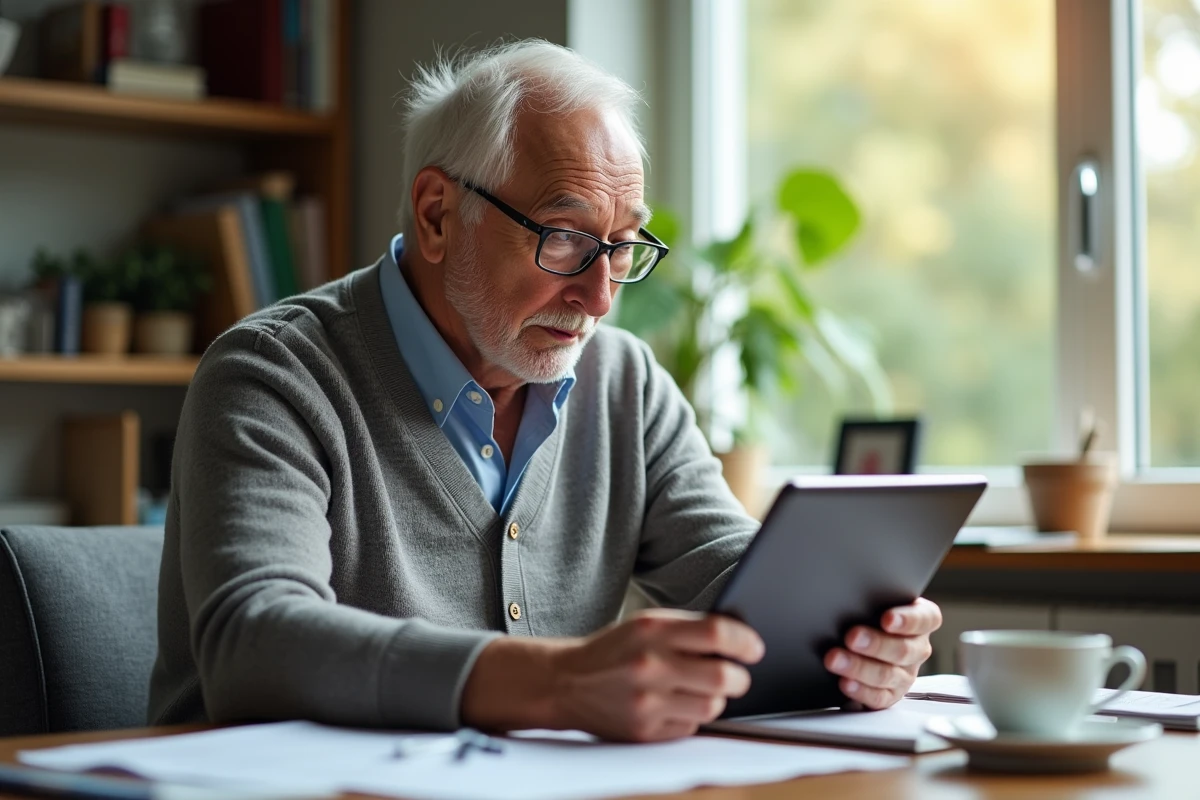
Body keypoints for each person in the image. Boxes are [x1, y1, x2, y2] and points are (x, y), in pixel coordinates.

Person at [148, 40, 940, 743]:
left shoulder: (625, 383)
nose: (600, 297)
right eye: (565, 239)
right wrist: (558, 683)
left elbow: (729, 572)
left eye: (622, 247)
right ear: (437, 215)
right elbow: (256, 644)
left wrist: (857, 634)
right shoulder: (273, 376)